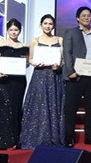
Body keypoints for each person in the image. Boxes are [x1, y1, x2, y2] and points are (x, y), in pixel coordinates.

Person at [20, 14, 65, 150]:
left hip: (54, 76)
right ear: (41, 25)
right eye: (45, 23)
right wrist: (35, 63)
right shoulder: (35, 40)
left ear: (54, 25)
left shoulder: (59, 40)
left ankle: (54, 137)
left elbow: (63, 60)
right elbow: (30, 59)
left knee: (53, 104)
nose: (48, 26)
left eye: (50, 24)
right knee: (38, 104)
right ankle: (35, 137)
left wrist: (59, 65)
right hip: (40, 75)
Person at [63, 6, 91, 146]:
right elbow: (67, 53)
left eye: (89, 15)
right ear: (78, 18)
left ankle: (90, 137)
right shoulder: (70, 32)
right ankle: (69, 138)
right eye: (83, 15)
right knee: (71, 109)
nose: (86, 17)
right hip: (75, 77)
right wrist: (70, 71)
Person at [0, 19, 29, 150]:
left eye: (16, 30)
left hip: (19, 81)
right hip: (4, 81)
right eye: (11, 30)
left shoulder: (24, 46)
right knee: (5, 108)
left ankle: (15, 139)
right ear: (7, 31)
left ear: (20, 31)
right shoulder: (1, 44)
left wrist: (25, 62)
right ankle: (3, 140)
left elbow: (27, 64)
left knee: (16, 108)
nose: (13, 32)